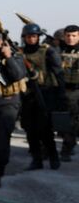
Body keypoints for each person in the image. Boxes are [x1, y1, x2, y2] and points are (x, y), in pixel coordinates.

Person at [0, 28, 27, 187]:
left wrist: (8, 56)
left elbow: (18, 75)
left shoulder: (13, 55)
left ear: (0, 41)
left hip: (8, 102)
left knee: (1, 139)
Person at [20, 23, 65, 170]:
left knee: (45, 129)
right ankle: (36, 159)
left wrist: (60, 97)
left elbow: (59, 74)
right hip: (27, 95)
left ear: (38, 37)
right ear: (24, 37)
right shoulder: (20, 53)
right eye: (28, 37)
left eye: (34, 36)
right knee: (30, 130)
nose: (31, 39)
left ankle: (53, 156)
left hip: (45, 94)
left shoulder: (48, 51)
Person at [60, 24, 79, 161]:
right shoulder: (58, 50)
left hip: (76, 90)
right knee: (63, 120)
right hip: (61, 90)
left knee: (72, 121)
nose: (70, 38)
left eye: (74, 36)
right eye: (68, 35)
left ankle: (68, 147)